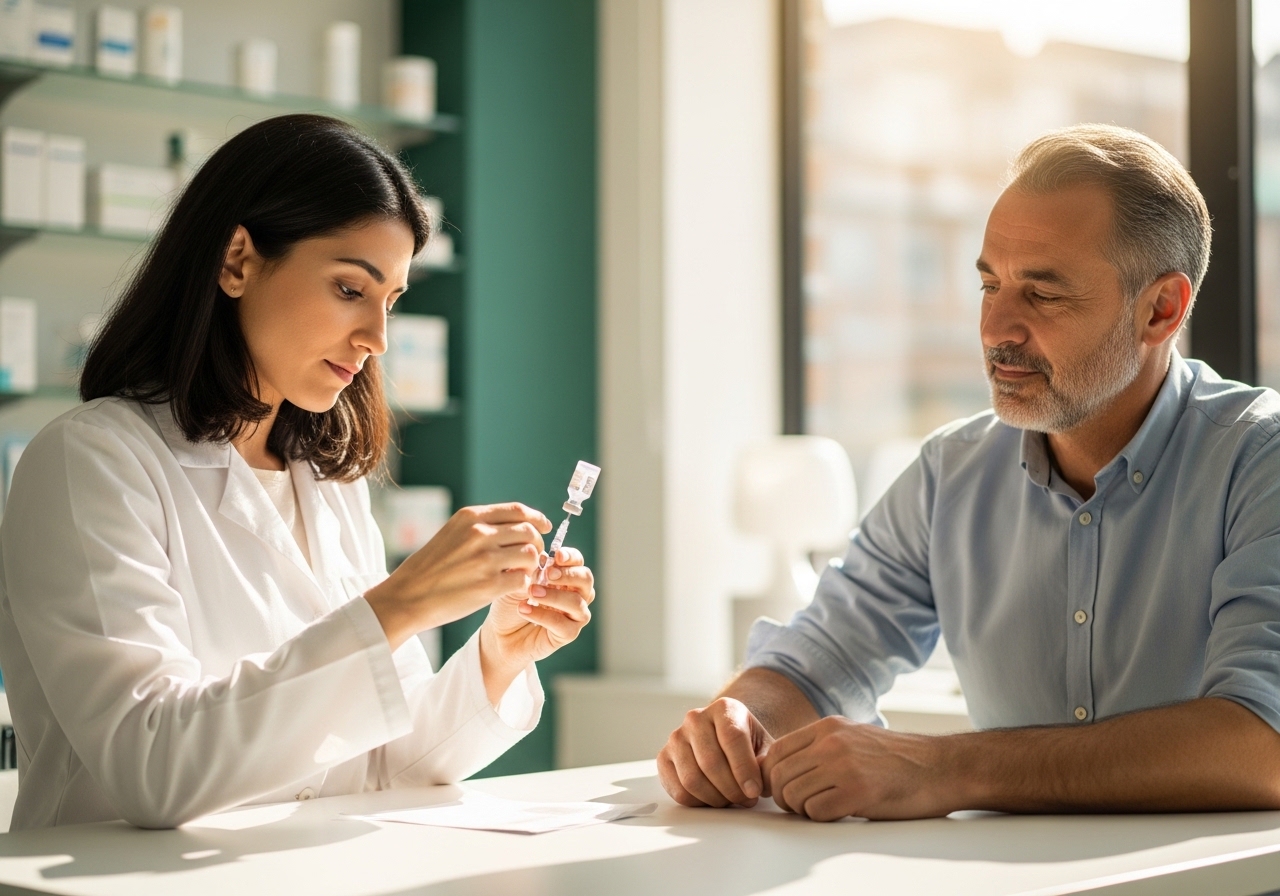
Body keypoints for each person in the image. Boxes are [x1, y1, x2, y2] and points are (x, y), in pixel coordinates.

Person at [659, 123, 1280, 821]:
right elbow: (816, 660)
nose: (997, 330)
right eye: (990, 285)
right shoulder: (948, 474)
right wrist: (738, 725)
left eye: (1042, 295)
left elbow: (1261, 745)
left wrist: (946, 769)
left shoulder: (1261, 462)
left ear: (1161, 309)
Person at [0, 114, 595, 830]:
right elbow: (149, 768)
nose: (377, 338)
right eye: (351, 289)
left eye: (391, 302)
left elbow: (378, 765)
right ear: (237, 260)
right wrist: (400, 604)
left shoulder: (327, 485)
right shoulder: (91, 463)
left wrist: (496, 655)